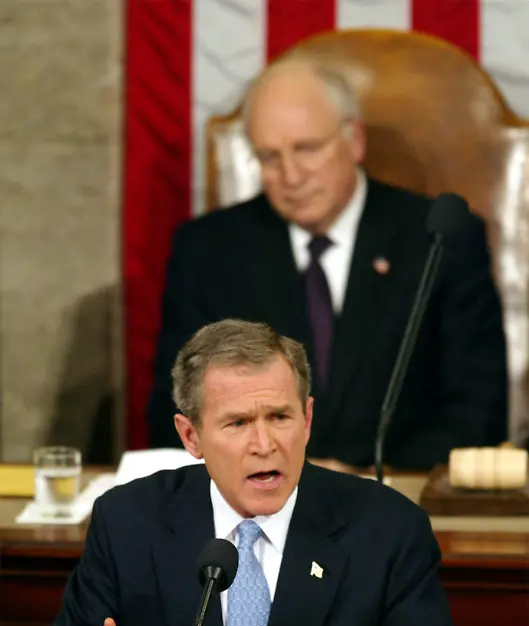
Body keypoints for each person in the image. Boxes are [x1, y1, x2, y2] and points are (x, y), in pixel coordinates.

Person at [18, 320, 472, 626]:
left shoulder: (385, 527)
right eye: (237, 423)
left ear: (308, 418)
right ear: (190, 436)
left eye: (279, 417)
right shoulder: (129, 522)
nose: (264, 445)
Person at [147, 55, 508, 471]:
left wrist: (363, 480)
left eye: (307, 149)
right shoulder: (208, 249)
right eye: (269, 157)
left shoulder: (439, 240)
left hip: (400, 501)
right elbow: (176, 411)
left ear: (354, 140)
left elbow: (477, 412)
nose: (292, 175)